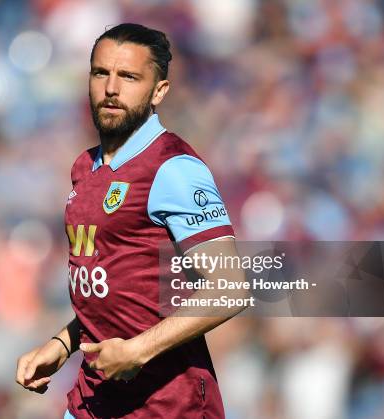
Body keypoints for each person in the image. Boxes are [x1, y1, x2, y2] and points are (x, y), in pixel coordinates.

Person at [16, 23, 246, 418]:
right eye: (101, 73)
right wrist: (62, 343)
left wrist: (138, 350)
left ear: (159, 91)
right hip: (93, 399)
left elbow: (230, 288)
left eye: (129, 77)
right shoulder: (84, 167)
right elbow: (118, 291)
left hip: (169, 406)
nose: (111, 88)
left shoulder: (173, 168)